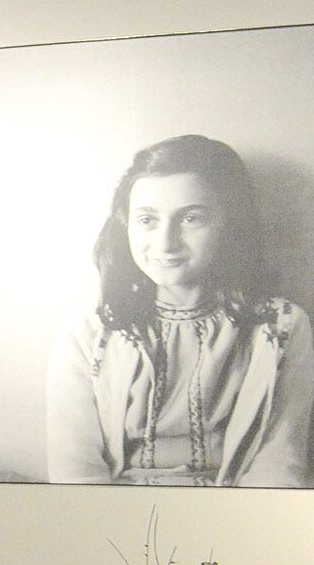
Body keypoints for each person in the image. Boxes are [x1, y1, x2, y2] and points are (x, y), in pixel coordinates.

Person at [45, 134, 312, 486]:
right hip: (114, 517)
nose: (166, 243)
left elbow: (279, 467)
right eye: (147, 220)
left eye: (191, 219)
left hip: (236, 519)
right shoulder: (90, 330)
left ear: (230, 223)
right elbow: (75, 472)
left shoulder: (280, 327)